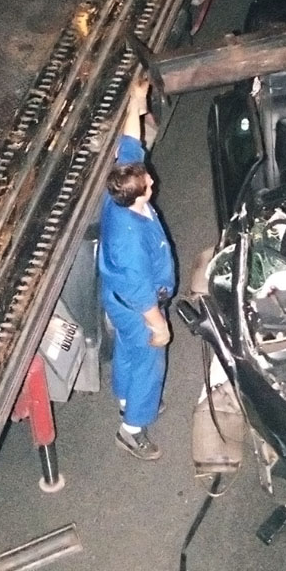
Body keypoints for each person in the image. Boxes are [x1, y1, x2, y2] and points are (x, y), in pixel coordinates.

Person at [98, 74, 175, 461]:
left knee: (128, 353)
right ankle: (132, 430)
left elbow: (131, 146)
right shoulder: (128, 240)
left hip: (119, 303)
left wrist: (135, 102)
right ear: (140, 193)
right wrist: (158, 326)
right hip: (137, 307)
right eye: (148, 181)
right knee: (149, 358)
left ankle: (128, 398)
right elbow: (140, 289)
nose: (150, 178)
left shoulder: (120, 193)